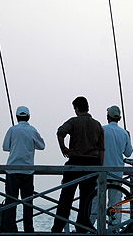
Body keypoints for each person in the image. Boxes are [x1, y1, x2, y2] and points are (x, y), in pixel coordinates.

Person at [51, 96, 105, 233]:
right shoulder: (97, 125)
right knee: (86, 200)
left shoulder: (74, 121)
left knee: (66, 198)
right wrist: (100, 168)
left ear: (76, 108)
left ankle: (58, 227)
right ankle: (82, 227)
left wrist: (63, 148)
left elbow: (60, 132)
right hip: (92, 165)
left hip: (75, 163)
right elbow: (101, 150)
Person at [1, 106, 45, 233]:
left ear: (16, 117)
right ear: (28, 117)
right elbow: (42, 146)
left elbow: (5, 147)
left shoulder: (12, 130)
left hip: (12, 171)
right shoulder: (32, 130)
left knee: (10, 202)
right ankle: (28, 230)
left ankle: (10, 229)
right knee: (28, 203)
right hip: (27, 171)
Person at [101, 105, 133, 227]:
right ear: (119, 118)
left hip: (102, 173)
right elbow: (128, 153)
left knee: (97, 203)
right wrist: (129, 137)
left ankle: (93, 229)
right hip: (117, 174)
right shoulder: (124, 133)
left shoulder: (102, 130)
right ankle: (114, 230)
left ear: (107, 116)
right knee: (115, 205)